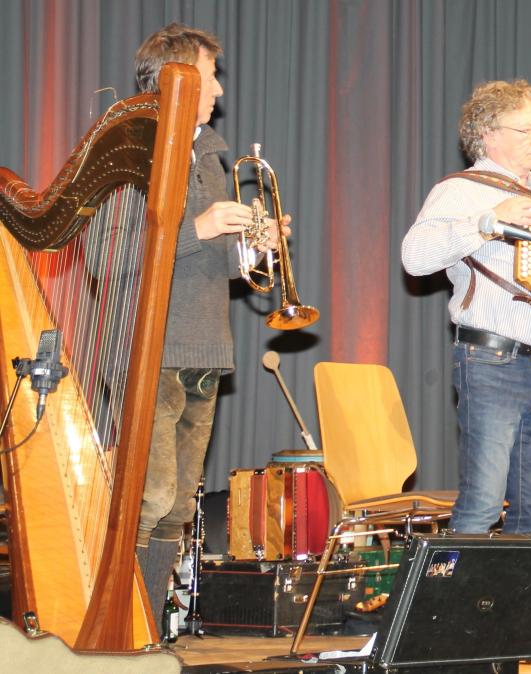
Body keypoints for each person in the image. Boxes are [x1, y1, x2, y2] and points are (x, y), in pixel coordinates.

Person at [401, 79, 531, 665]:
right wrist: (485, 222)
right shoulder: (462, 190)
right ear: (488, 135)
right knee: (478, 508)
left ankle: (512, 634)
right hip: (490, 361)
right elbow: (413, 257)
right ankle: (446, 637)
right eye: (526, 130)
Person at [132, 22, 291, 633]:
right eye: (209, 76)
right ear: (176, 80)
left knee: (174, 509)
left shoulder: (209, 154)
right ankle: (122, 631)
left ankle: (146, 636)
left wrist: (255, 247)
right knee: (146, 502)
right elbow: (112, 257)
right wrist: (199, 229)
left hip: (206, 350)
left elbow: (220, 268)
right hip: (152, 351)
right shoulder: (136, 150)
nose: (219, 90)